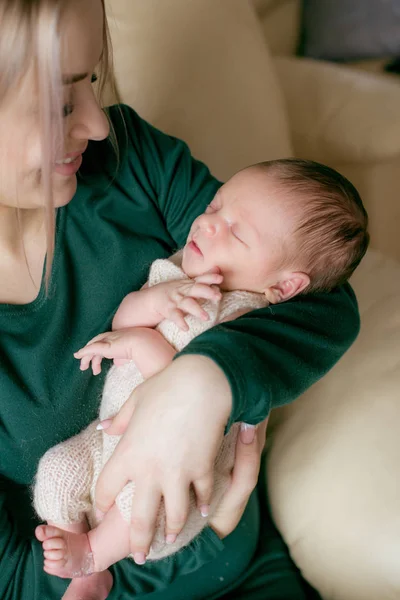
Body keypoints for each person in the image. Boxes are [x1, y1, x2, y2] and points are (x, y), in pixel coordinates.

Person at [0, 1, 363, 599]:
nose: (97, 125)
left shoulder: (129, 162)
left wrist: (202, 382)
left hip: (246, 574)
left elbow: (324, 298)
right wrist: (199, 526)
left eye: (92, 80)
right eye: (62, 103)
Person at [33, 158, 369, 600]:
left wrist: (138, 345)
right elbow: (127, 316)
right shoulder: (180, 272)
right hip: (107, 439)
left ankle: (95, 556)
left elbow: (171, 393)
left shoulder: (249, 321)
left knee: (142, 510)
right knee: (56, 472)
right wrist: (154, 301)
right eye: (214, 205)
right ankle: (84, 567)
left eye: (236, 231)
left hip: (184, 485)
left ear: (285, 288)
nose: (208, 223)